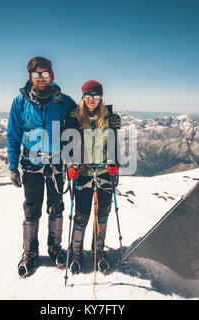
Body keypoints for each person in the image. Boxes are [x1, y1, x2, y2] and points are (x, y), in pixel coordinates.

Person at [7, 57, 77, 277]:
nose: (40, 78)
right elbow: (13, 134)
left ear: (51, 76)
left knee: (56, 206)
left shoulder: (63, 102)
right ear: (30, 77)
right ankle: (30, 251)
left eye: (44, 74)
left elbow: (83, 120)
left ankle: (54, 247)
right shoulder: (20, 102)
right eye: (36, 75)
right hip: (31, 164)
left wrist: (108, 118)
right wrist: (12, 166)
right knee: (32, 208)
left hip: (56, 163)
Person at [64, 80, 120, 274]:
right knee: (81, 214)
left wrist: (114, 163)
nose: (92, 99)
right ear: (83, 96)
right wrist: (71, 165)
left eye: (96, 96)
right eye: (88, 95)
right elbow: (69, 144)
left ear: (101, 97)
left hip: (104, 172)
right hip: (82, 172)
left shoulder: (109, 116)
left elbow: (113, 145)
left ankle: (98, 251)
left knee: (103, 213)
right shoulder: (74, 117)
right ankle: (76, 253)